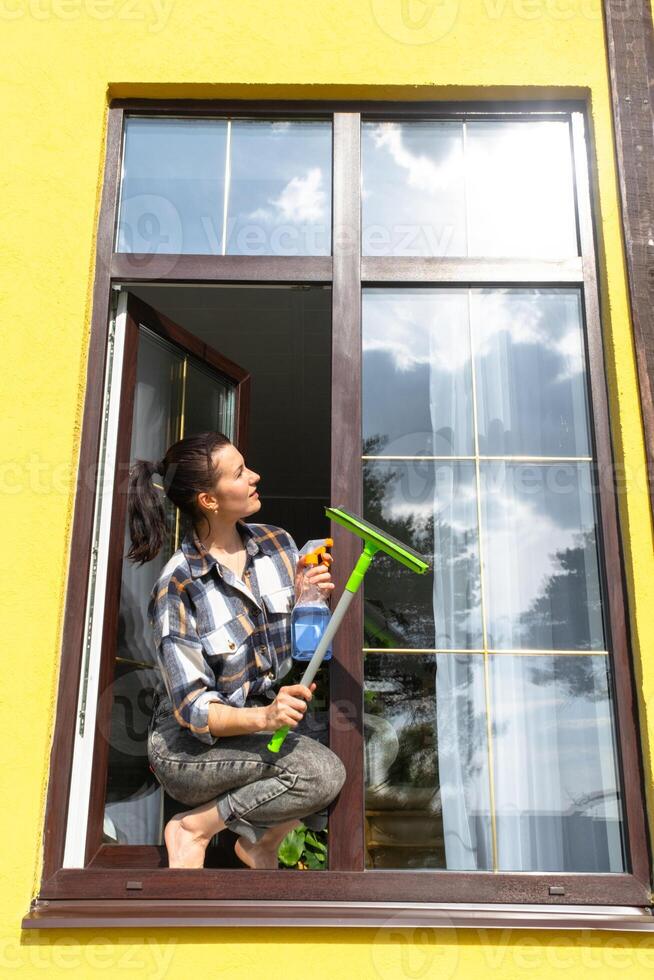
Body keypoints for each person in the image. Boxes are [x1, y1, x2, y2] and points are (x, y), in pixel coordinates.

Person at [126, 430, 346, 869]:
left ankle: (259, 843)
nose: (255, 477)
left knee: (344, 750)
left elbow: (289, 657)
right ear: (209, 500)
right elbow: (193, 710)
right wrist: (265, 717)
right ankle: (195, 828)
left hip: (252, 729)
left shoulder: (277, 545)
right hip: (188, 750)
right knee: (319, 772)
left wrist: (307, 600)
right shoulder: (178, 586)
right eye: (240, 473)